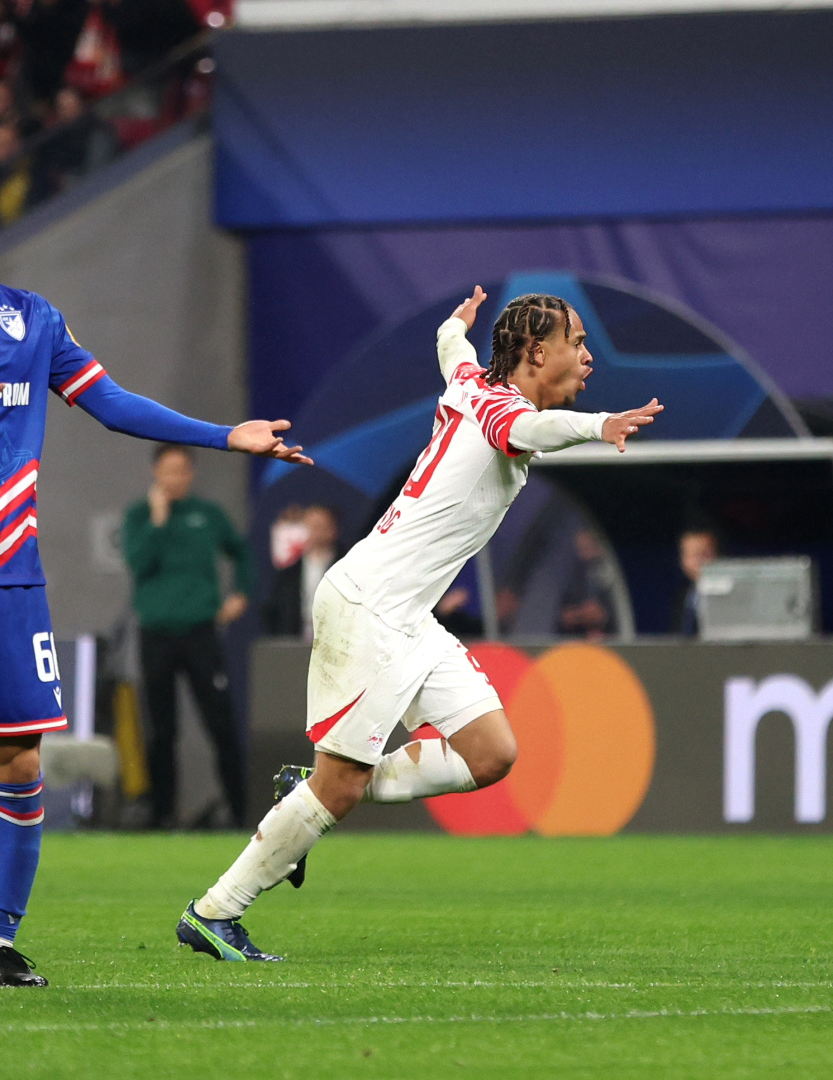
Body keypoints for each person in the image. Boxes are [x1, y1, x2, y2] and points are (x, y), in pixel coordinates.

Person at [0, 140, 308, 993]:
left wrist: (221, 434)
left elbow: (111, 401)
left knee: (18, 764)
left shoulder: (32, 318)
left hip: (10, 576)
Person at [176, 286, 662, 961]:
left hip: (407, 615)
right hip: (369, 607)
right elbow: (528, 431)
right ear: (534, 351)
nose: (587, 356)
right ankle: (214, 912)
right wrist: (599, 424)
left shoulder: (470, 380)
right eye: (576, 342)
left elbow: (451, 350)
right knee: (340, 786)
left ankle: (306, 792)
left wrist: (453, 322)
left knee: (492, 753)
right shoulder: (502, 409)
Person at [123, 444, 253, 830]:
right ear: (155, 472)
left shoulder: (208, 515)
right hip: (156, 633)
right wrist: (158, 521)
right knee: (162, 730)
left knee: (221, 723)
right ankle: (162, 814)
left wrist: (240, 594)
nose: (175, 478)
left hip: (201, 632)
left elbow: (242, 553)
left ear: (191, 473)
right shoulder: (138, 516)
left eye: (182, 470)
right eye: (168, 470)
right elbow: (137, 563)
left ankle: (238, 811)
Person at [262, 503, 339, 639]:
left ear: (332, 529)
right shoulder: (289, 574)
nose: (316, 532)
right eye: (311, 526)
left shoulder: (346, 568)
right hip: (296, 645)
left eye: (320, 526)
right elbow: (275, 612)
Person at [670, 524, 716, 636]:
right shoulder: (683, 595)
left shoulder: (727, 594)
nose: (698, 562)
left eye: (704, 554)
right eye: (691, 555)